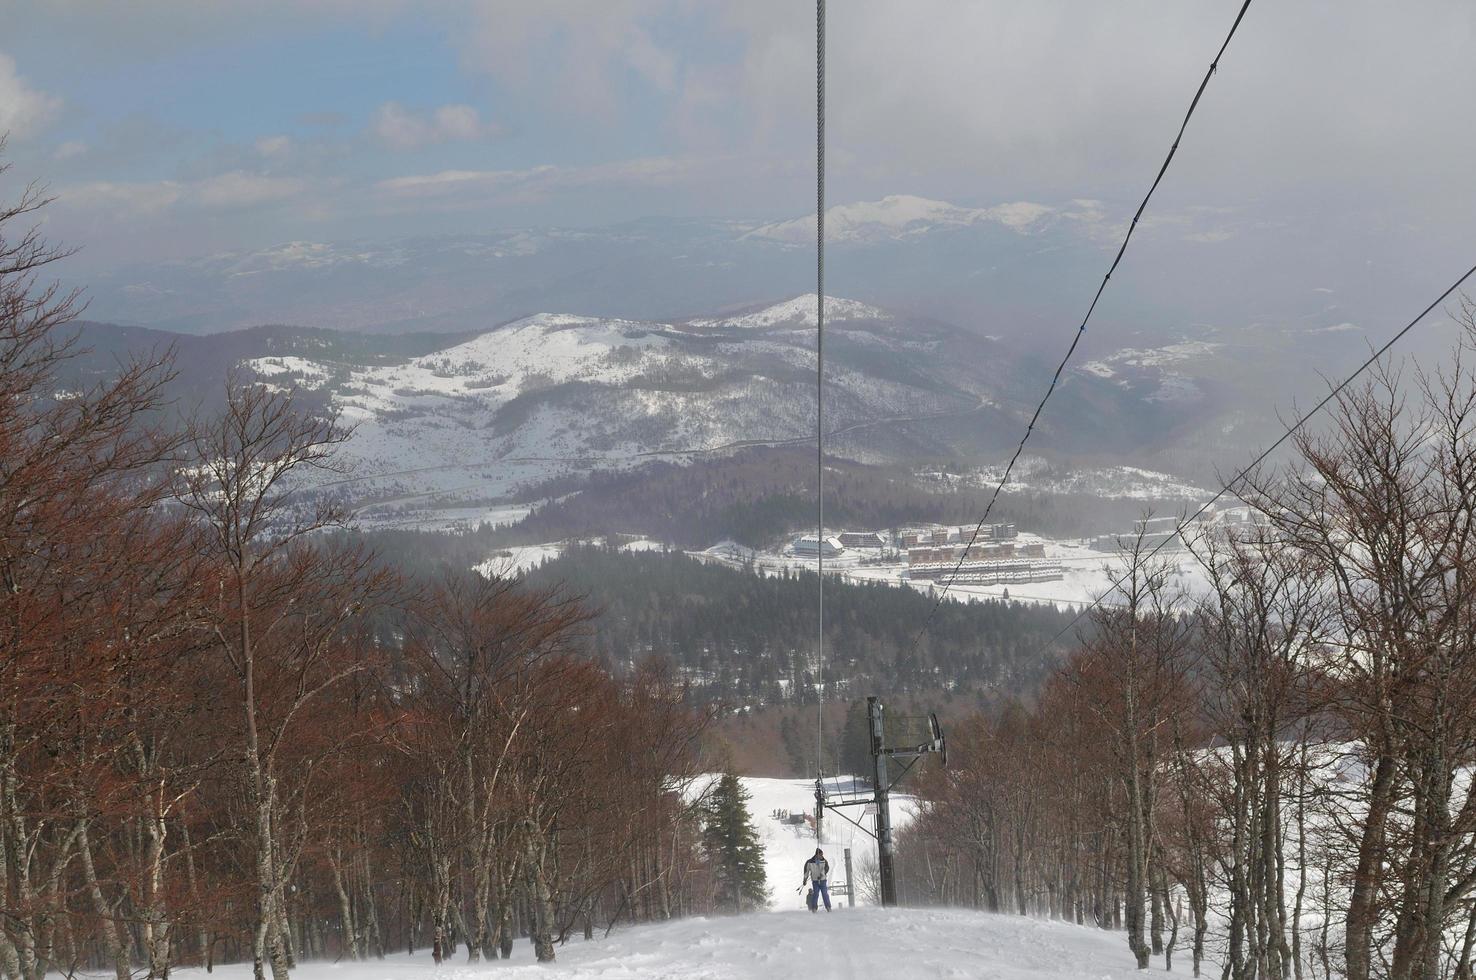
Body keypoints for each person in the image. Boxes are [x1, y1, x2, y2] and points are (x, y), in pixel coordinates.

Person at [802, 848, 831, 912]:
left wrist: (822, 874)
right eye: (820, 855)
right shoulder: (809, 862)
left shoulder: (824, 861)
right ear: (817, 855)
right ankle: (814, 908)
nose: (822, 856)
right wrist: (805, 879)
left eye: (822, 855)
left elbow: (827, 868)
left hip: (823, 880)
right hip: (815, 881)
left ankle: (828, 907)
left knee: (824, 893)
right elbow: (806, 871)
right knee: (815, 894)